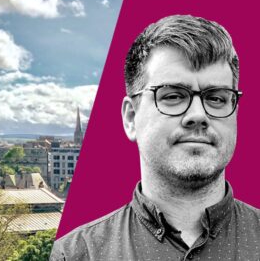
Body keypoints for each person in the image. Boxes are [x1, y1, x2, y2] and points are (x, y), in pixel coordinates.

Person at [51, 15, 260, 260]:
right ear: (131, 117)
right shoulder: (78, 253)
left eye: (216, 98)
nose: (198, 115)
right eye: (172, 96)